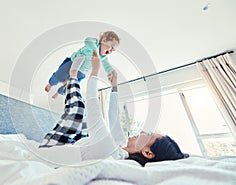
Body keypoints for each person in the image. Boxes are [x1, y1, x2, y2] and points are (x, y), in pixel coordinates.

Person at [39, 51, 188, 167]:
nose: (143, 131)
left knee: (79, 110)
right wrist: (114, 86)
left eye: (148, 135)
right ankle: (68, 86)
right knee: (84, 123)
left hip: (49, 149)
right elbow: (114, 117)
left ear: (147, 153)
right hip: (73, 145)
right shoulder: (120, 146)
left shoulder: (110, 150)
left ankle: (72, 76)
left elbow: (93, 105)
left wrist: (95, 71)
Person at [44, 31, 119, 99]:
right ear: (103, 40)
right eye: (112, 47)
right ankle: (50, 84)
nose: (112, 51)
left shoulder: (103, 57)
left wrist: (111, 72)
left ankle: (58, 92)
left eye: (114, 50)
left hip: (81, 72)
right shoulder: (94, 44)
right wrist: (95, 51)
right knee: (58, 76)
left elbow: (107, 66)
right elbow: (88, 40)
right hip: (72, 63)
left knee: (70, 87)